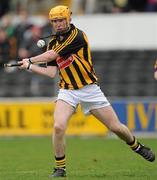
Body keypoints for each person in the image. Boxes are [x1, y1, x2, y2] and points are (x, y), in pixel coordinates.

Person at [18, 5, 155, 178]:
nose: (58, 24)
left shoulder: (78, 36)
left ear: (69, 19)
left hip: (90, 90)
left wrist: (30, 59)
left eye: (61, 20)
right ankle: (60, 168)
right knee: (58, 126)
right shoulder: (52, 42)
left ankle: (137, 146)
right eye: (55, 21)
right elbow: (52, 72)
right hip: (67, 90)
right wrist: (30, 67)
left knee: (116, 128)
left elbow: (52, 55)